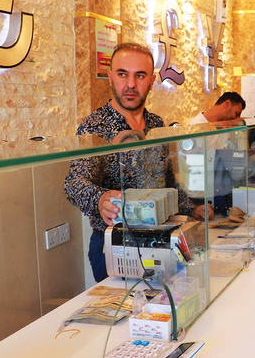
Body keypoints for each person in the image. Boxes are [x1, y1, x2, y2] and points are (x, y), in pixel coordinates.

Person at [64, 42, 212, 283]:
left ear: (152, 80)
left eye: (139, 76)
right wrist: (100, 199)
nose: (130, 84)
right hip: (116, 244)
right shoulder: (95, 126)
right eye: (123, 74)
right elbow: (74, 182)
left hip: (163, 239)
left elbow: (168, 181)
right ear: (110, 77)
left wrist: (191, 208)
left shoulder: (156, 124)